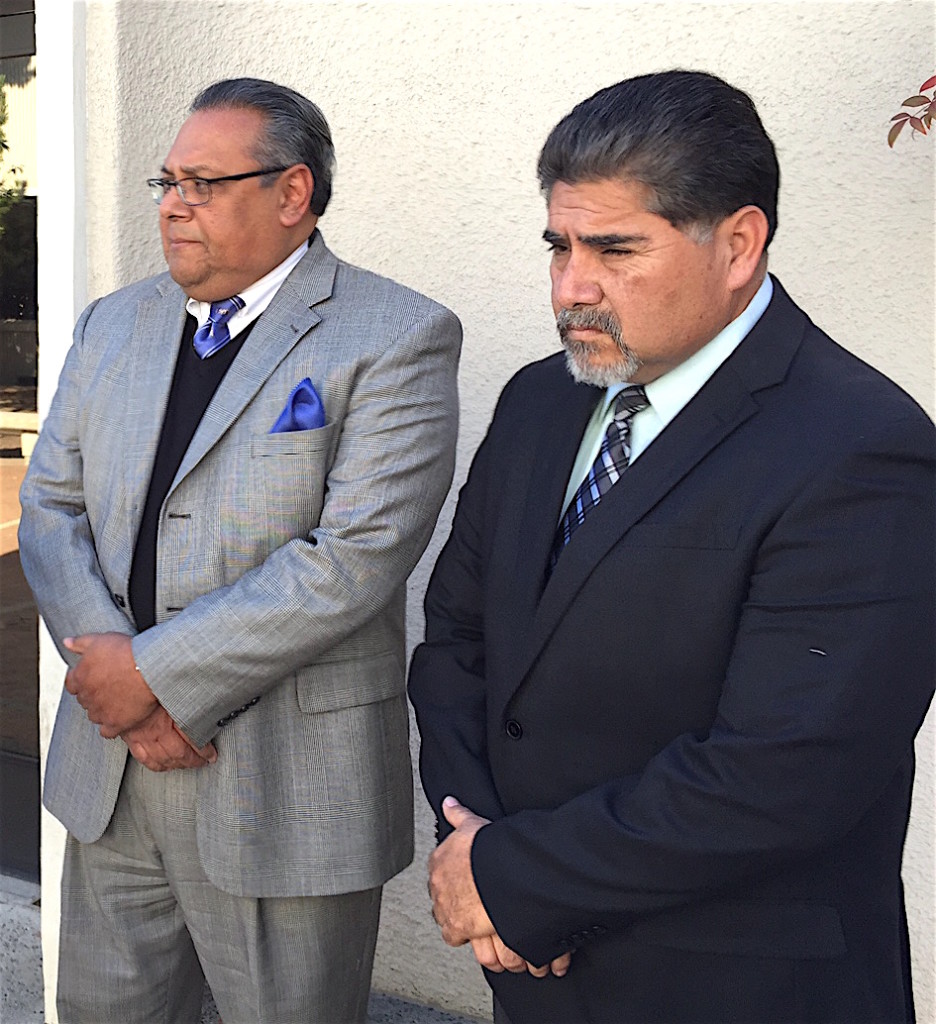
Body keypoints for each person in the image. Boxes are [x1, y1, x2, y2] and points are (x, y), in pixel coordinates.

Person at [408, 69, 935, 1024]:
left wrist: (522, 881)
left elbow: (787, 769)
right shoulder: (540, 401)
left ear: (738, 244)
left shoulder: (860, 444)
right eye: (559, 246)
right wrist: (475, 853)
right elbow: (455, 643)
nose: (573, 287)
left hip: (736, 985)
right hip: (527, 967)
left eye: (615, 248)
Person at [19, 77, 460, 1024]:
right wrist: (114, 672)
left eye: (204, 183)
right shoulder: (113, 323)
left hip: (283, 782)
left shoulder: (396, 334)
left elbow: (354, 556)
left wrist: (160, 677)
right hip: (113, 775)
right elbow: (50, 508)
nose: (174, 204)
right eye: (167, 181)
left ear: (292, 193)